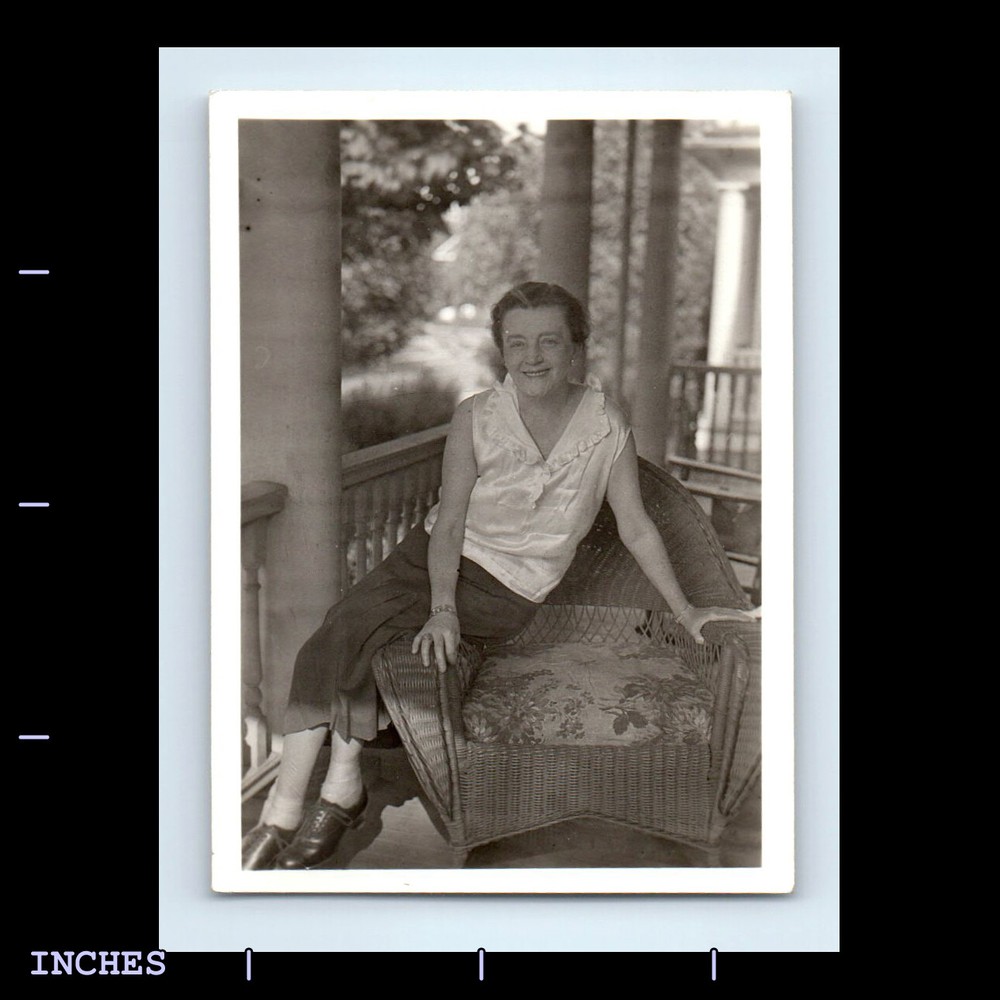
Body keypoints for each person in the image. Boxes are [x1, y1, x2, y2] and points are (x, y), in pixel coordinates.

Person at [241, 280, 754, 870]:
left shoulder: (606, 427)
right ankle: (309, 798)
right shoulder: (477, 417)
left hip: (508, 590)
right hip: (433, 559)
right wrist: (441, 607)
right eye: (516, 344)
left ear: (575, 349)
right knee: (342, 635)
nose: (532, 357)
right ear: (500, 351)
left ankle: (317, 800)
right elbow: (451, 521)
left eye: (549, 342)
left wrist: (687, 610)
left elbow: (636, 527)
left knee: (354, 634)